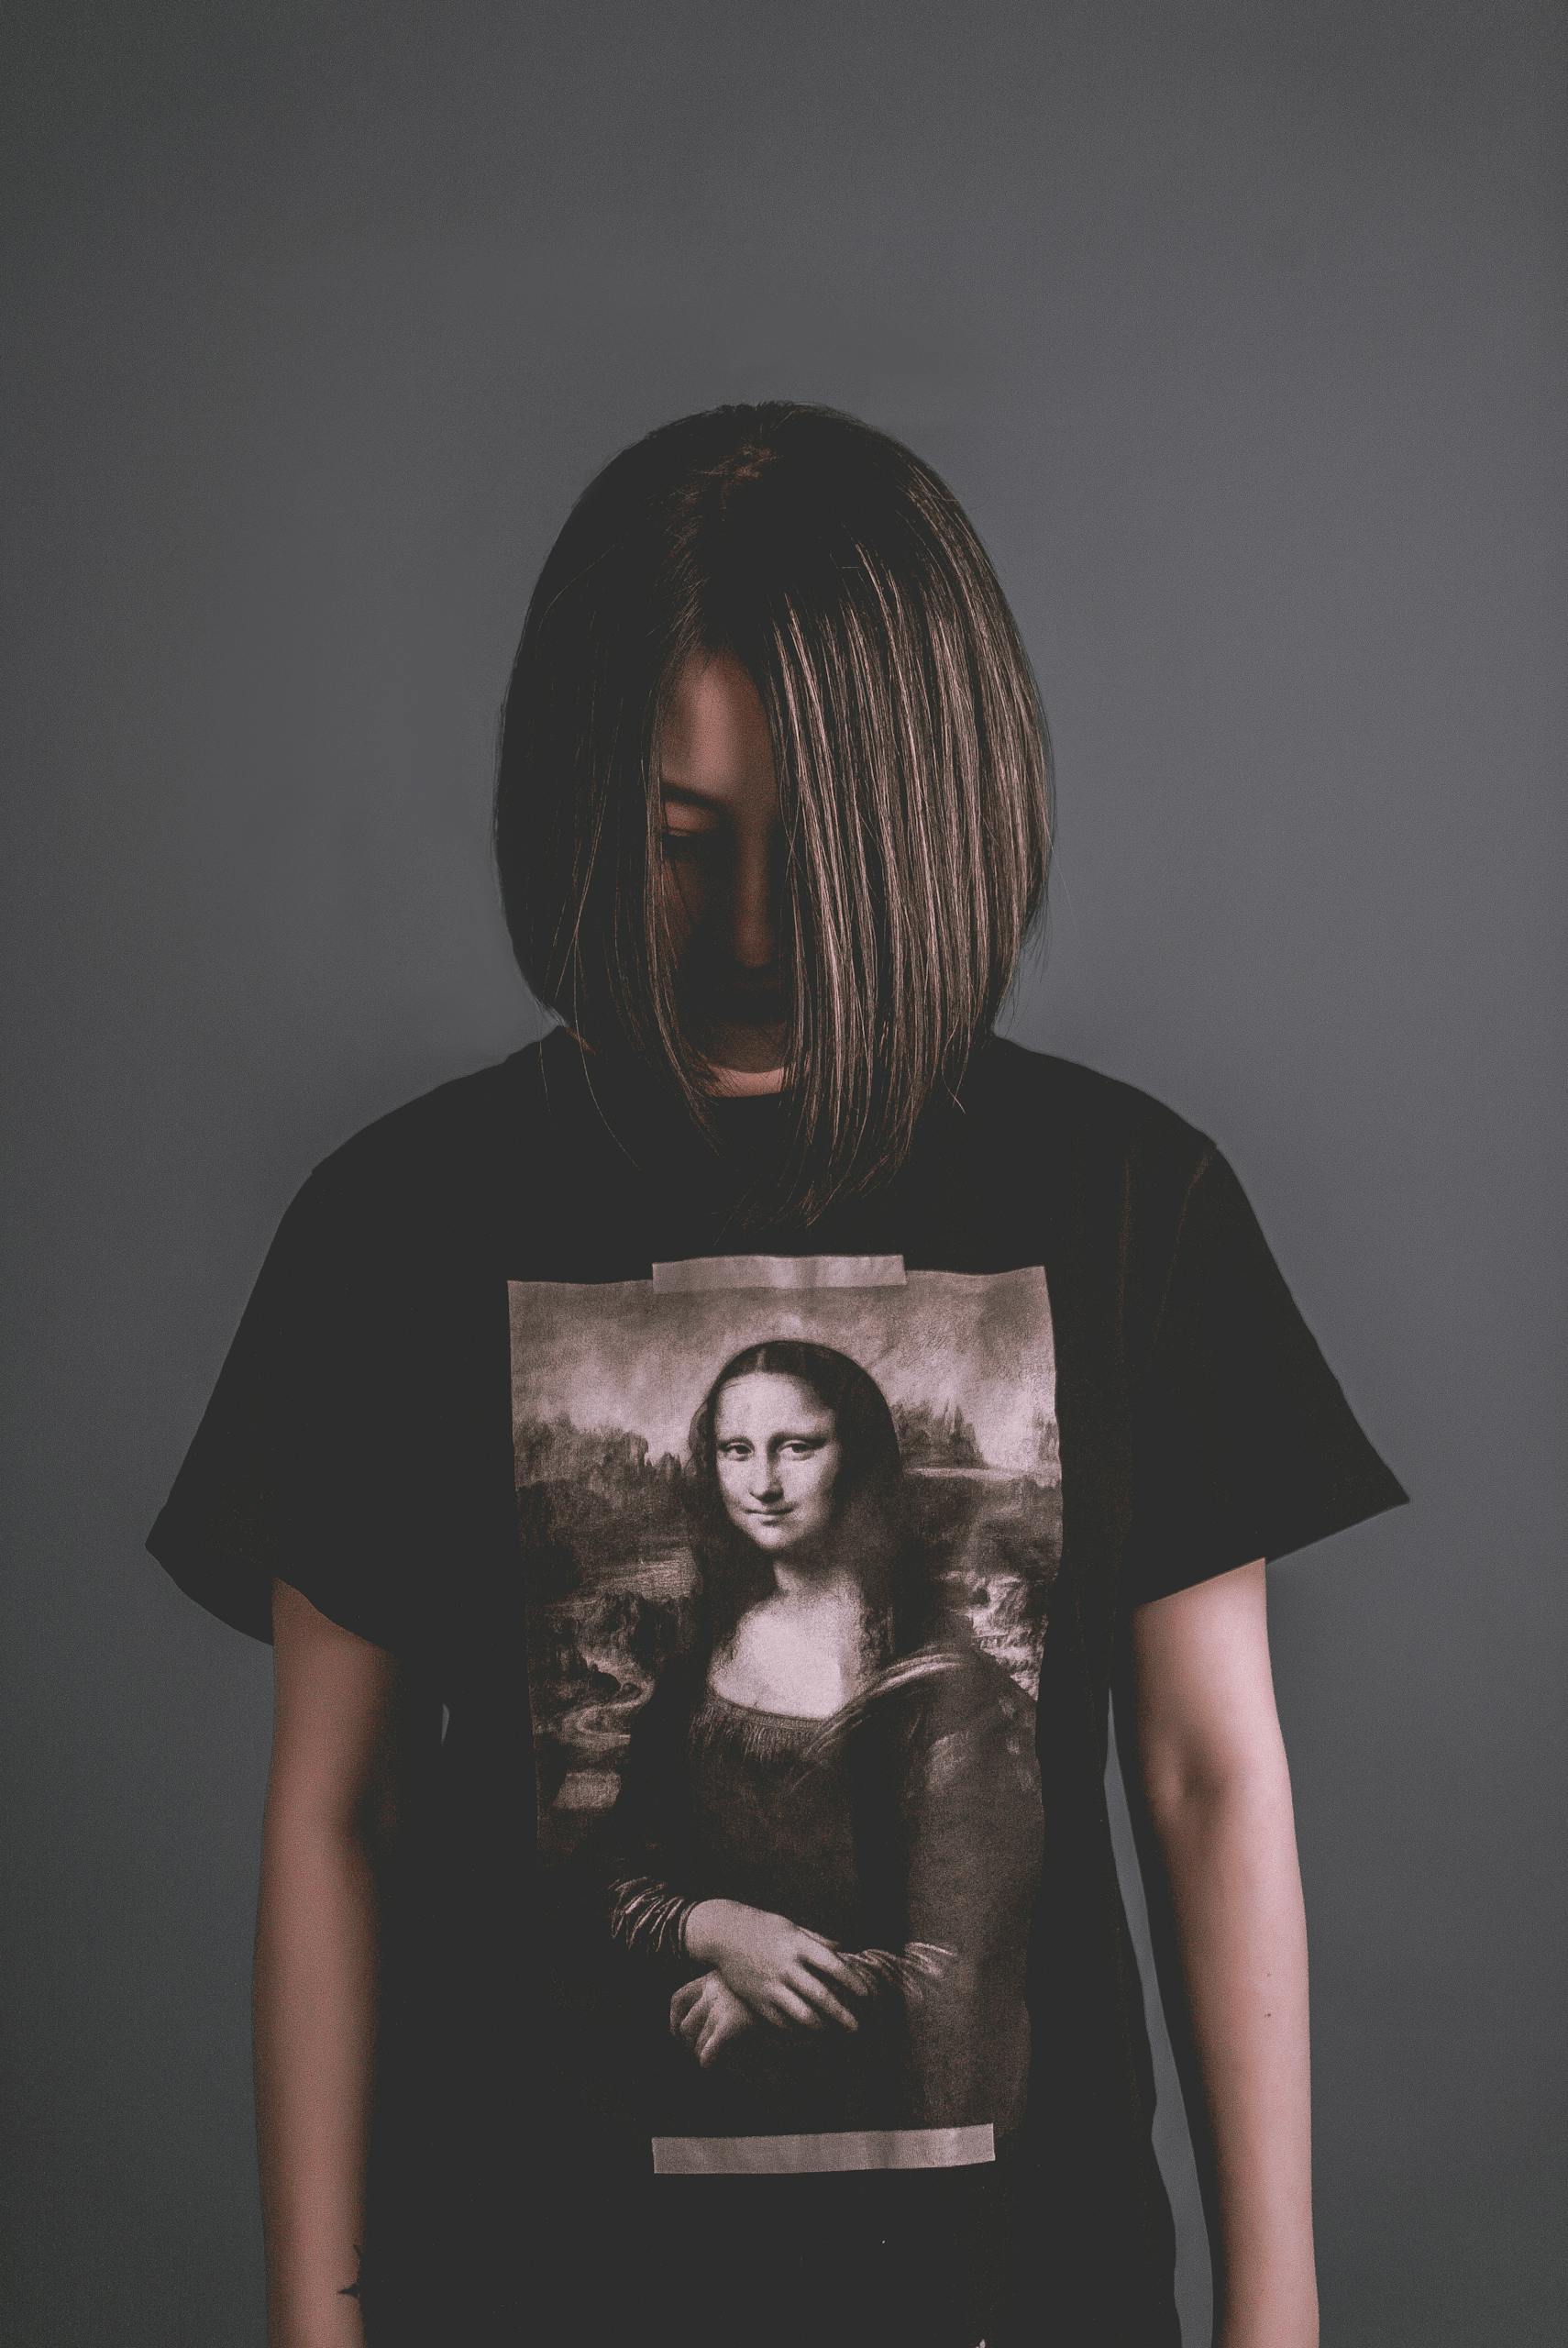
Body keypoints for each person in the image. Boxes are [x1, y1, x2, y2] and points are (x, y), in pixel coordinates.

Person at [147, 399, 1408, 2348]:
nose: (748, 938)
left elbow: (1208, 1772)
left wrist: (1281, 2307)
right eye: (680, 839)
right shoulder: (396, 1220)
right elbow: (343, 1813)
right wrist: (316, 2325)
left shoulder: (1131, 1198)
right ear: (584, 806)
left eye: (810, 847)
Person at [594, 1338, 1043, 2149]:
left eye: (796, 1447)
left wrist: (763, 1992)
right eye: (737, 1450)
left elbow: (966, 1960)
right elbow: (616, 1884)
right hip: (693, 2111)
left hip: (893, 2119)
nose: (763, 1483)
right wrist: (719, 1929)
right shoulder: (693, 1673)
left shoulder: (940, 1686)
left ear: (857, 1457)